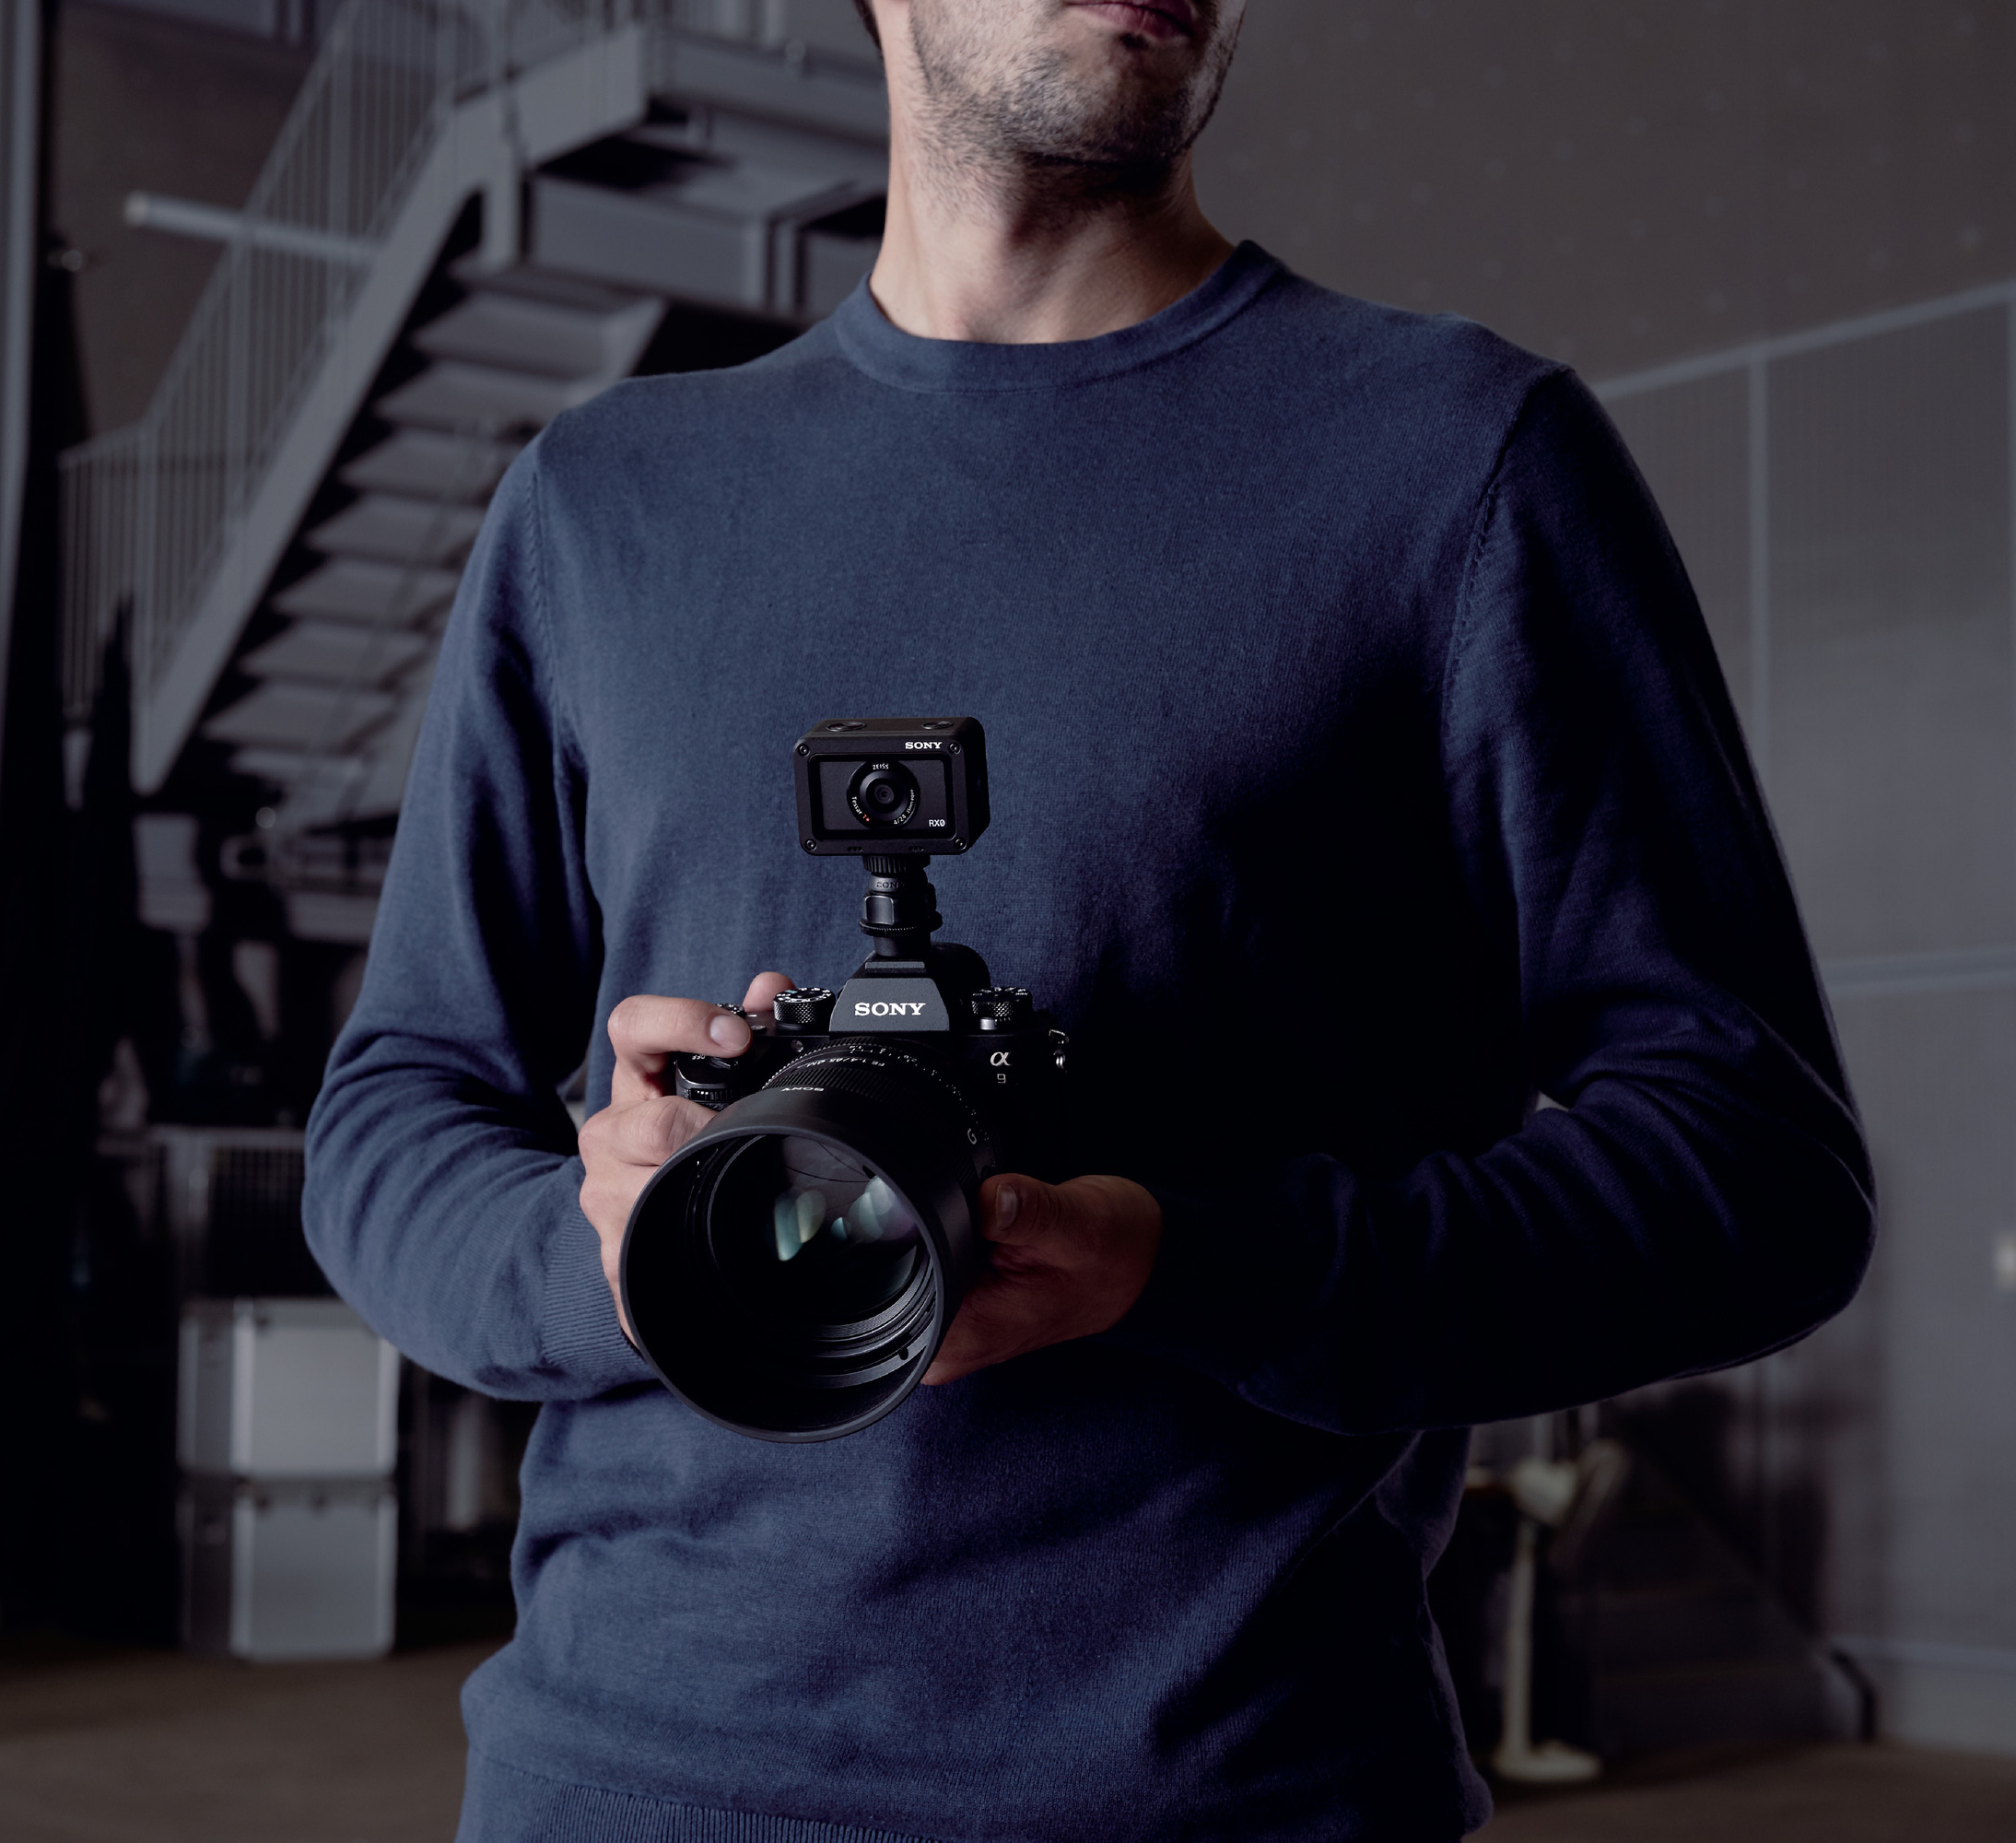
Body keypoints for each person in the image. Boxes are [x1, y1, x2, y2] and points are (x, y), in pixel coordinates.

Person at [303, 1, 1876, 1837]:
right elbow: (389, 1120)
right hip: (622, 1779)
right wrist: (621, 1253)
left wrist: (1195, 1260)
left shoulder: (1461, 461)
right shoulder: (604, 501)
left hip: (1228, 1785)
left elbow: (1757, 1174)